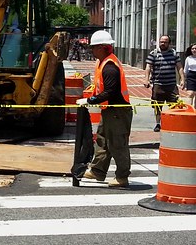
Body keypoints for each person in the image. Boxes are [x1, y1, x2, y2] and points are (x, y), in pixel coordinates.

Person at [76, 30, 132, 188]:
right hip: (109, 110)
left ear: (102, 47)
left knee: (117, 144)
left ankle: (122, 177)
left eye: (93, 47)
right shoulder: (103, 62)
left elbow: (110, 91)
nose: (91, 50)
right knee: (102, 140)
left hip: (118, 111)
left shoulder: (110, 67)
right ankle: (98, 171)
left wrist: (89, 100)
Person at [145, 34, 183, 132]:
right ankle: (158, 124)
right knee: (157, 105)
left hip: (171, 85)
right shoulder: (153, 53)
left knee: (174, 105)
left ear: (169, 43)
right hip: (158, 84)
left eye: (165, 42)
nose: (163, 43)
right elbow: (148, 67)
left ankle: (173, 123)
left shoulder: (174, 53)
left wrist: (183, 79)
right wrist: (146, 80)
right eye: (161, 42)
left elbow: (179, 66)